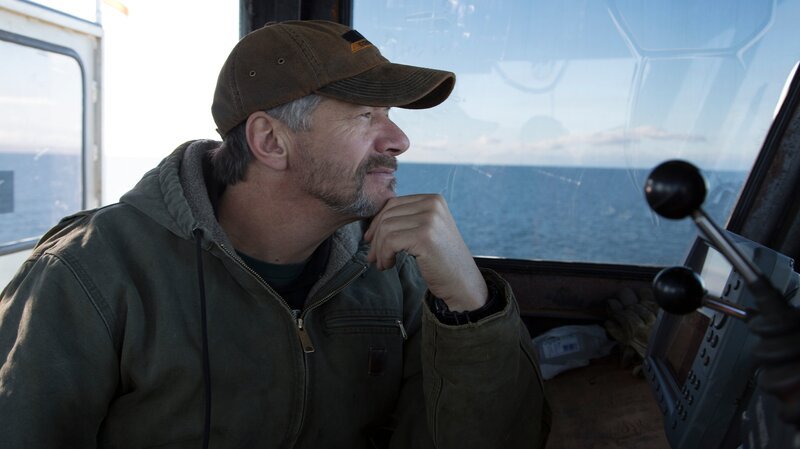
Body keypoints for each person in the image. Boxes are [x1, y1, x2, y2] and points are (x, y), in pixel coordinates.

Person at [0, 20, 549, 448]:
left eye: (390, 114)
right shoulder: (87, 274)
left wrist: (470, 306)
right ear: (270, 140)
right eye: (364, 115)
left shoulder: (393, 270)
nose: (400, 138)